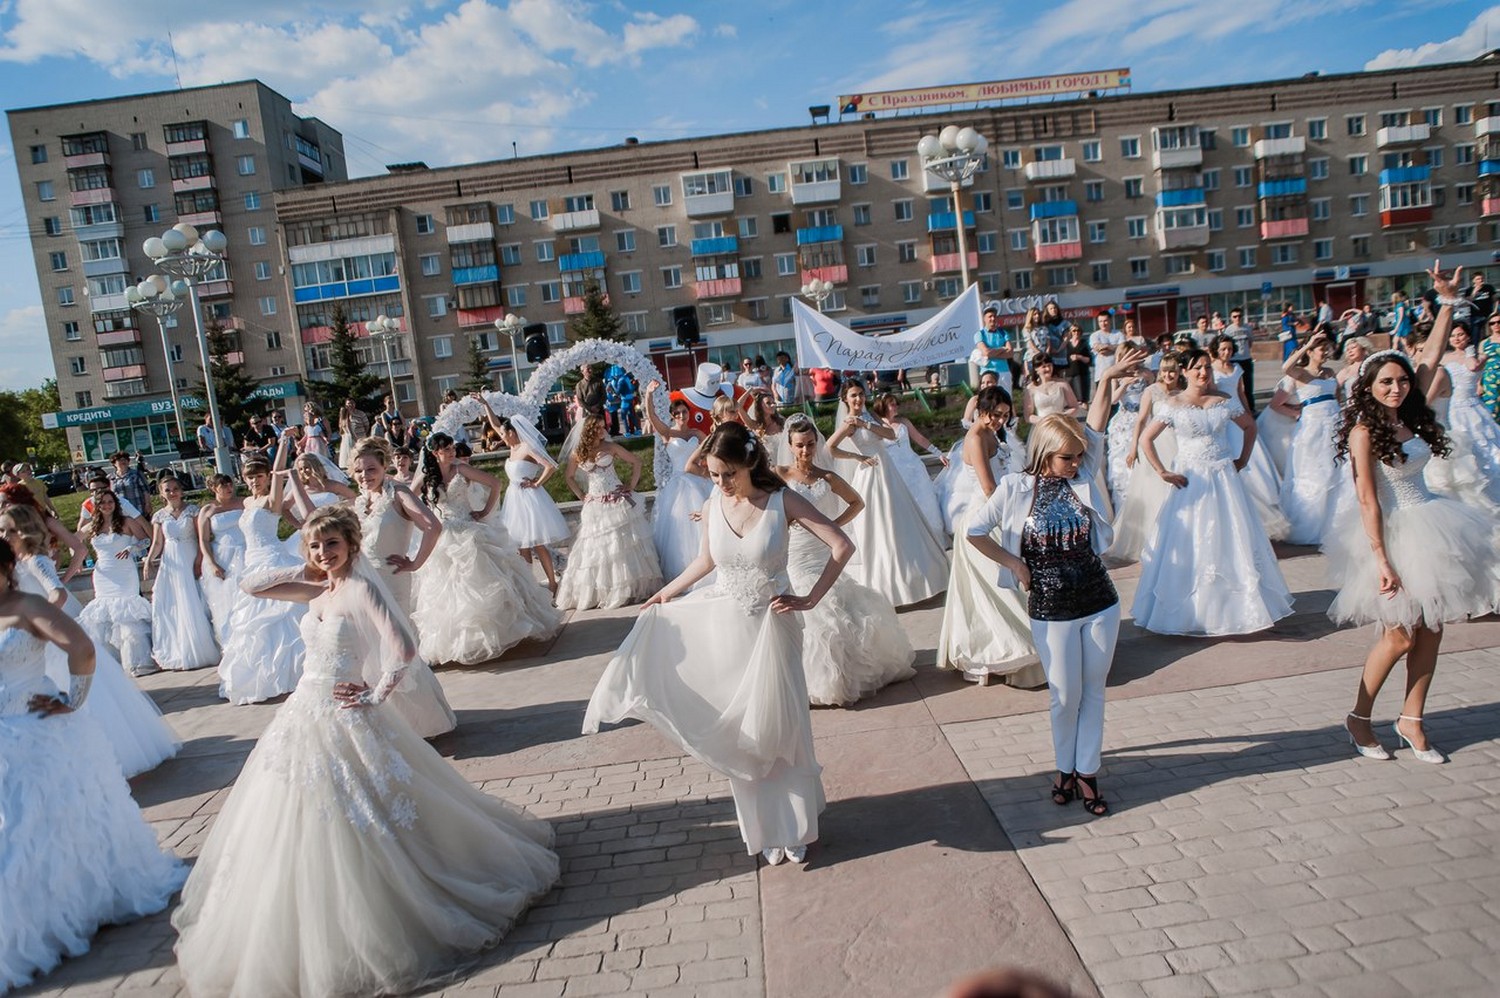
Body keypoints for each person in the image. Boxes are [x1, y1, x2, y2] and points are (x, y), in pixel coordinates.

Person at [172, 505, 560, 997]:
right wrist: (311, 569)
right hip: (303, 710)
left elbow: (404, 647)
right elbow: (251, 586)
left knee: (363, 806)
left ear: (351, 545)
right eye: (316, 545)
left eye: (332, 544)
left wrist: (376, 695)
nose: (323, 553)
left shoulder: (361, 589)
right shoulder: (319, 589)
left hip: (345, 709)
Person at [585, 422, 853, 865]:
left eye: (729, 474)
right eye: (713, 474)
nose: (722, 483)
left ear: (749, 462)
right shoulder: (713, 504)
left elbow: (841, 545)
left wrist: (810, 598)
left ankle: (794, 826)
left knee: (781, 727)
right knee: (742, 734)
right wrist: (665, 593)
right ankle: (764, 829)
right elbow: (706, 561)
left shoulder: (783, 500)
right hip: (729, 629)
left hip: (775, 627)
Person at [965, 348, 1147, 816]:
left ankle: (1087, 773)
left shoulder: (1082, 475)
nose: (1077, 462)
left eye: (1080, 456)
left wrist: (1105, 379)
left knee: (1094, 691)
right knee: (1064, 696)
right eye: (1068, 457)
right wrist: (1015, 564)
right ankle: (1064, 768)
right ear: (1046, 454)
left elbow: (1096, 427)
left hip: (1099, 598)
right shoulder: (1014, 489)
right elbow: (974, 532)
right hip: (1050, 604)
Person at [1330, 265, 1500, 762]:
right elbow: (1367, 499)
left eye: (1402, 381)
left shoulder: (1410, 412)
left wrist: (1446, 302)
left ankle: (1412, 719)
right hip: (1392, 534)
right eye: (1386, 382)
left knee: (1433, 628)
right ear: (1368, 385)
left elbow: (1430, 355)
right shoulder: (1364, 431)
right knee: (1400, 635)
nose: (1396, 388)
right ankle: (1359, 717)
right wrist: (1382, 559)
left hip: (1433, 522)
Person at [0, 545, 185, 994]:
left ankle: (70, 902)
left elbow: (81, 649)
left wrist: (72, 699)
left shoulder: (28, 606)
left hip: (35, 728)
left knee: (37, 823)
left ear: (5, 568)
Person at [1, 503, 180, 778]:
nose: (3, 536)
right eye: (1, 531)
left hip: (44, 632)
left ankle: (106, 752)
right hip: (19, 639)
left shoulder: (35, 560)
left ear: (24, 531)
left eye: (9, 530)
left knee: (75, 692)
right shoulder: (12, 564)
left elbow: (58, 593)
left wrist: (38, 624)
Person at [1132, 347, 1295, 636]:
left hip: (1224, 479)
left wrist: (1242, 460)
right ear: (1184, 371)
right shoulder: (1173, 404)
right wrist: (1162, 471)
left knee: (1230, 537)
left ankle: (1234, 609)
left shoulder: (1223, 400)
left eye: (1207, 366)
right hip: (1191, 481)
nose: (1203, 372)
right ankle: (1192, 610)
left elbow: (1250, 427)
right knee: (1193, 540)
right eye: (1197, 367)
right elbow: (1146, 439)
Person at [776, 414, 915, 705]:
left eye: (810, 444)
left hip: (823, 554)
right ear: (789, 445)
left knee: (838, 613)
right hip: (795, 556)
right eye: (799, 445)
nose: (805, 450)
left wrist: (832, 526)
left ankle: (842, 677)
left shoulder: (827, 477)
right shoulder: (778, 475)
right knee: (813, 617)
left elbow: (857, 502)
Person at [412, 433, 562, 664]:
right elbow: (408, 499)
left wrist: (483, 512)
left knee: (488, 581)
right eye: (447, 449)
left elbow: (495, 483)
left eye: (453, 448)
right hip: (444, 535)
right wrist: (426, 522)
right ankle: (464, 643)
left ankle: (503, 634)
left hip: (469, 530)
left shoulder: (461, 469)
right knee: (449, 589)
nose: (452, 452)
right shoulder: (427, 476)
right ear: (435, 453)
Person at [938, 387, 1039, 687]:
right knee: (1001, 591)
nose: (1000, 420)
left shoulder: (991, 434)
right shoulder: (976, 438)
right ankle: (1013, 650)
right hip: (984, 519)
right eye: (996, 414)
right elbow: (988, 487)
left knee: (1001, 591)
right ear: (981, 411)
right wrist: (1014, 512)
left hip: (998, 513)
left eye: (1005, 415)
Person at [827, 380, 949, 607]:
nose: (858, 399)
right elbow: (830, 448)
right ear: (845, 399)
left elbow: (890, 435)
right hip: (871, 476)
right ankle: (887, 589)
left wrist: (866, 424)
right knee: (881, 527)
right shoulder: (849, 423)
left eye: (860, 394)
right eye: (853, 395)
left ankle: (917, 580)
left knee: (903, 522)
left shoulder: (869, 416)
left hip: (889, 472)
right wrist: (857, 457)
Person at [217, 436, 307, 705]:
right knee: (250, 623)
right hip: (251, 563)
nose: (255, 480)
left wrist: (283, 444)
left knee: (280, 617)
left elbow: (279, 472)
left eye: (259, 476)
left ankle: (291, 674)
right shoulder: (246, 503)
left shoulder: (271, 500)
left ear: (267, 477)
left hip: (273, 560)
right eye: (250, 477)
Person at [556, 416, 663, 611]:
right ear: (588, 431)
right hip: (595, 504)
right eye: (597, 428)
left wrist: (630, 486)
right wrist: (581, 495)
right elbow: (569, 476)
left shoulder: (610, 447)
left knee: (621, 546)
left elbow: (637, 462)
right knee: (596, 550)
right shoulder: (579, 452)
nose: (602, 431)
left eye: (602, 427)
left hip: (616, 499)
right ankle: (601, 592)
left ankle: (627, 589)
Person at [1107, 354, 1183, 564]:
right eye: (1165, 371)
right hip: (1155, 444)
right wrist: (1133, 449)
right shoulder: (1151, 391)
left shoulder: (1182, 393)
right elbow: (1141, 421)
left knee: (1174, 491)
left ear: (1179, 373)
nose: (1169, 375)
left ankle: (1174, 537)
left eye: (1173, 371)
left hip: (1177, 444)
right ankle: (1152, 540)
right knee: (1153, 491)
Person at [141, 475, 219, 672]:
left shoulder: (192, 511)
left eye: (175, 488)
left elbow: (202, 538)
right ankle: (180, 649)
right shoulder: (159, 516)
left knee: (195, 600)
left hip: (190, 556)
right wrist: (149, 560)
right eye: (167, 490)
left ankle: (202, 647)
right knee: (173, 604)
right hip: (171, 563)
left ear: (181, 490)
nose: (172, 493)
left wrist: (200, 560)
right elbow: (157, 543)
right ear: (161, 493)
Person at [488, 411, 570, 595]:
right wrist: (485, 405)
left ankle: (552, 583)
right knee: (521, 546)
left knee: (537, 544)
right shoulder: (512, 447)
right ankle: (530, 585)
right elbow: (495, 425)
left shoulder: (527, 447)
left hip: (528, 499)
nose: (501, 437)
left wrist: (537, 483)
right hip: (513, 499)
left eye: (503, 434)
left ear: (512, 432)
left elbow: (550, 466)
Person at [642, 381, 713, 584]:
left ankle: (706, 568)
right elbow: (652, 417)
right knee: (679, 530)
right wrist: (648, 395)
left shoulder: (697, 434)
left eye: (684, 412)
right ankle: (683, 574)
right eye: (678, 413)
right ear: (673, 416)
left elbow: (712, 450)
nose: (682, 415)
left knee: (703, 526)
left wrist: (708, 470)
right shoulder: (668, 433)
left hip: (699, 480)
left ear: (689, 413)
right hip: (678, 486)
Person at [77, 490, 154, 677]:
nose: (107, 505)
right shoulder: (93, 526)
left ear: (115, 503)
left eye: (110, 502)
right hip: (103, 574)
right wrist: (78, 559)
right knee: (104, 616)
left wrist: (132, 547)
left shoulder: (126, 522)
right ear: (97, 506)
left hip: (124, 572)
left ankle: (137, 661)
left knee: (127, 615)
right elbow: (74, 541)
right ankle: (112, 662)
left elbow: (146, 540)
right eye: (102, 503)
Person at [1278, 332, 1344, 545]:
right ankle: (1312, 524)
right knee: (1315, 473)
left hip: (1335, 424)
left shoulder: (1330, 372)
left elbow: (1337, 398)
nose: (1325, 352)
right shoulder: (1300, 374)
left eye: (1327, 348)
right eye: (1321, 348)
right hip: (1312, 429)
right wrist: (1308, 344)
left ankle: (1335, 523)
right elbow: (1286, 367)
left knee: (1337, 471)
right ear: (1311, 351)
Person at [1426, 320, 1500, 507]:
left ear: (1468, 335)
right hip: (1450, 407)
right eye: (1452, 336)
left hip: (1472, 409)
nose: (1456, 339)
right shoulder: (1444, 358)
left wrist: (1469, 350)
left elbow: (1473, 366)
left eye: (1460, 334)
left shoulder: (1480, 355)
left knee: (1485, 450)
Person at [870, 392, 947, 538]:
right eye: (892, 404)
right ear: (883, 406)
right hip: (894, 471)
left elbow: (920, 438)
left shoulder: (903, 422)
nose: (896, 406)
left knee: (924, 499)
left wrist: (938, 453)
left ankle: (933, 534)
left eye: (896, 403)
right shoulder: (876, 426)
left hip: (913, 467)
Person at [196, 473, 245, 648]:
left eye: (230, 484)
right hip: (222, 555)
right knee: (225, 600)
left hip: (244, 551)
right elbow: (204, 539)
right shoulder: (208, 510)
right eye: (223, 485)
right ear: (213, 488)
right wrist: (211, 563)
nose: (229, 488)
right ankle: (230, 640)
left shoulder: (243, 502)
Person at [1023, 354, 1082, 424]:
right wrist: (1046, 421)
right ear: (1036, 369)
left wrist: (1061, 418)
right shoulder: (1031, 388)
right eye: (1044, 367)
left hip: (1061, 423)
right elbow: (1028, 416)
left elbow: (1075, 407)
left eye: (1049, 365)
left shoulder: (1062, 384)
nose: (1048, 369)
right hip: (1043, 425)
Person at [973, 305, 1015, 394]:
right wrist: (1002, 349)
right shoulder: (980, 334)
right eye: (990, 316)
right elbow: (986, 352)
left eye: (994, 316)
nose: (993, 319)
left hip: (1003, 372)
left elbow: (1010, 353)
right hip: (987, 372)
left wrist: (992, 353)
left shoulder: (1003, 333)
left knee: (1006, 398)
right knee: (988, 398)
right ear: (984, 319)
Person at [106, 450, 150, 519]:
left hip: (137, 509)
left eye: (125, 459)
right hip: (120, 511)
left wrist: (147, 504)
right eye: (120, 460)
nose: (123, 461)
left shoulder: (136, 474)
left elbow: (145, 490)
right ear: (114, 463)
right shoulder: (110, 478)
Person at [1223, 307, 1255, 402]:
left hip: (1246, 359)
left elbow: (1250, 342)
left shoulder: (1247, 328)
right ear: (1231, 318)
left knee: (1248, 385)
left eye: (1239, 316)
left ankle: (1250, 406)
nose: (1237, 318)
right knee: (1235, 385)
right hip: (1234, 360)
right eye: (1235, 316)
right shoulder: (1228, 330)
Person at [1088, 311, 1124, 388]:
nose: (1103, 323)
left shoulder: (1119, 334)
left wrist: (1106, 346)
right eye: (1100, 321)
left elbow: (1123, 349)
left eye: (1105, 321)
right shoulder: (1094, 335)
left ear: (1110, 320)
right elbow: (1100, 350)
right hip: (1101, 375)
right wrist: (1115, 348)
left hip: (1118, 374)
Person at [336, 398, 371, 471]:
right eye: (348, 403)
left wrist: (362, 435)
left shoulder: (360, 414)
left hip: (359, 437)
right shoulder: (344, 415)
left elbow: (367, 425)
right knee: (349, 456)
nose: (350, 405)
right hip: (347, 439)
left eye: (352, 403)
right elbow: (341, 428)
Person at [1064, 324, 1092, 403]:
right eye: (1074, 331)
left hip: (1081, 374)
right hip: (1069, 374)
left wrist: (1080, 357)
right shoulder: (1066, 344)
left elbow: (1089, 360)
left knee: (1082, 400)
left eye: (1078, 330)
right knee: (1070, 401)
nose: (1076, 332)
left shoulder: (1084, 344)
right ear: (1070, 332)